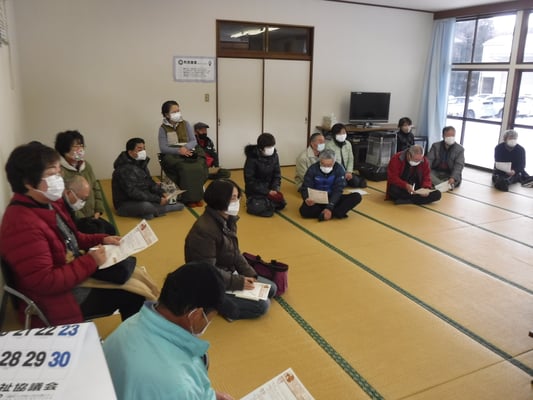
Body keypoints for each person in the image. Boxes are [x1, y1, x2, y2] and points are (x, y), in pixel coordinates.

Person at [0, 142, 144, 327]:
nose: (59, 179)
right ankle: (131, 339)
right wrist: (91, 261)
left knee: (136, 276)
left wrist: (102, 238)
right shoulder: (21, 224)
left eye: (58, 172)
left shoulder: (47, 202)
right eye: (52, 174)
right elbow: (46, 282)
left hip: (71, 273)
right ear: (28, 182)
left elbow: (72, 238)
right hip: (57, 298)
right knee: (134, 293)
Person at [103, 262, 234, 400]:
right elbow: (177, 389)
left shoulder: (133, 322)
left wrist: (207, 396)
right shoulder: (180, 388)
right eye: (210, 318)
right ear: (195, 315)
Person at [185, 179, 277, 321]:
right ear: (219, 199)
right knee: (262, 306)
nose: (237, 202)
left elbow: (235, 252)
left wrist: (250, 273)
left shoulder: (228, 219)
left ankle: (230, 300)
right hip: (209, 282)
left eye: (238, 197)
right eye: (233, 198)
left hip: (227, 272)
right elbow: (207, 270)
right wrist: (238, 282)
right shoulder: (204, 230)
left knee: (271, 288)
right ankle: (213, 304)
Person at [55, 130, 115, 234]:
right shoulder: (59, 171)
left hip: (92, 215)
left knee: (111, 230)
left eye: (82, 146)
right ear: (64, 149)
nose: (80, 149)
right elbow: (65, 202)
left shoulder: (86, 166)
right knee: (98, 234)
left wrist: (98, 210)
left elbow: (95, 187)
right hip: (75, 218)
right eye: (76, 146)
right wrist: (84, 219)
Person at [112, 137, 184, 220]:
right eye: (139, 149)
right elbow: (133, 192)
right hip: (126, 203)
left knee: (167, 192)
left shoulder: (141, 163)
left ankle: (148, 213)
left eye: (144, 148)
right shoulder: (123, 169)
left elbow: (149, 182)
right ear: (130, 152)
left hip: (143, 197)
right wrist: (158, 199)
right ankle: (162, 209)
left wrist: (162, 193)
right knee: (146, 206)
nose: (143, 151)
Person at [158, 100, 208, 207]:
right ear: (166, 115)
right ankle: (188, 199)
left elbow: (193, 141)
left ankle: (198, 197)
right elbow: (163, 148)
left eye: (178, 111)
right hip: (172, 154)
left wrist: (185, 148)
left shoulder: (186, 124)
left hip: (188, 150)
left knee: (199, 166)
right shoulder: (163, 128)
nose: (177, 113)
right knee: (185, 168)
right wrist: (178, 151)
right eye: (174, 112)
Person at [299, 149, 362, 221]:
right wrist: (306, 198)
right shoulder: (312, 169)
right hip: (316, 200)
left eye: (329, 165)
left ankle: (327, 212)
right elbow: (305, 186)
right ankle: (333, 213)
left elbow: (338, 190)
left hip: (333, 199)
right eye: (323, 164)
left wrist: (330, 206)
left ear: (334, 162)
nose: (326, 167)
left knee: (356, 196)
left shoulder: (339, 169)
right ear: (319, 161)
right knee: (304, 212)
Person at [243, 132, 286, 216]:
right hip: (255, 191)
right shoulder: (252, 158)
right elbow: (250, 180)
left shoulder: (275, 156)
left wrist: (275, 189)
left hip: (270, 189)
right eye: (268, 147)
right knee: (262, 209)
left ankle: (268, 203)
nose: (271, 149)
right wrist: (267, 191)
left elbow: (277, 175)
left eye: (272, 146)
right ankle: (263, 203)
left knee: (282, 203)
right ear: (261, 148)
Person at [325, 123, 367, 188]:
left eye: (344, 133)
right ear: (334, 135)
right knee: (342, 184)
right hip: (336, 173)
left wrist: (349, 172)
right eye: (339, 133)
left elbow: (351, 159)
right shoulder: (329, 146)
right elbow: (330, 163)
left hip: (347, 172)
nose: (342, 135)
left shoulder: (348, 144)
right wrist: (342, 173)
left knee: (357, 183)